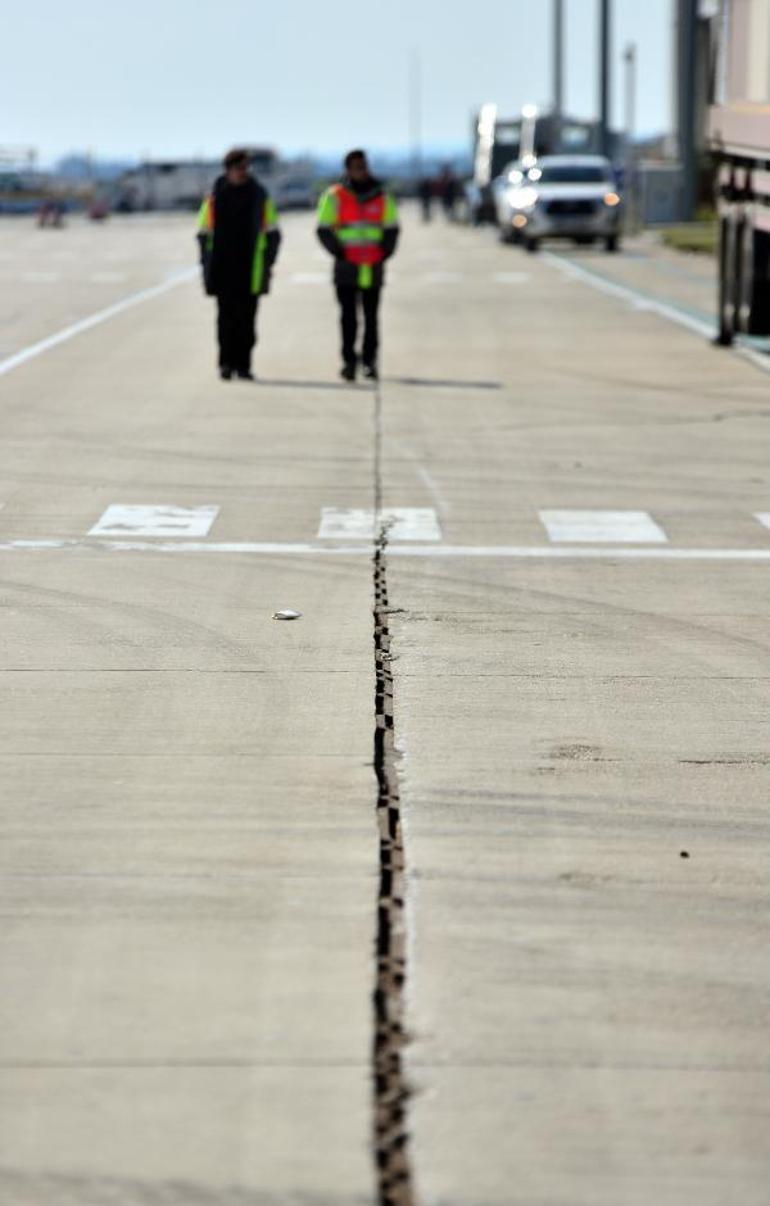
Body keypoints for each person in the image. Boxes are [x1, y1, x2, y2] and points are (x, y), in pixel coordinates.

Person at [197, 148, 281, 380]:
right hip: (223, 269)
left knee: (247, 321)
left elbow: (274, 233)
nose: (244, 172)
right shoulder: (214, 198)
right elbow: (203, 235)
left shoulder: (260, 196)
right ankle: (226, 363)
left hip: (251, 268)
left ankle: (244, 365)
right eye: (239, 168)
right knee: (225, 320)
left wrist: (268, 261)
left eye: (247, 167)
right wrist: (206, 265)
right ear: (228, 170)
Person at [316, 149, 400, 382]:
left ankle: (369, 362)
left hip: (372, 266)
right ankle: (349, 361)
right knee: (348, 317)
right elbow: (323, 229)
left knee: (372, 317)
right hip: (347, 267)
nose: (361, 171)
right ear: (348, 169)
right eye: (356, 167)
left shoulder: (381, 196)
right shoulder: (335, 196)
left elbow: (392, 228)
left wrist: (384, 252)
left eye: (363, 166)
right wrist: (340, 251)